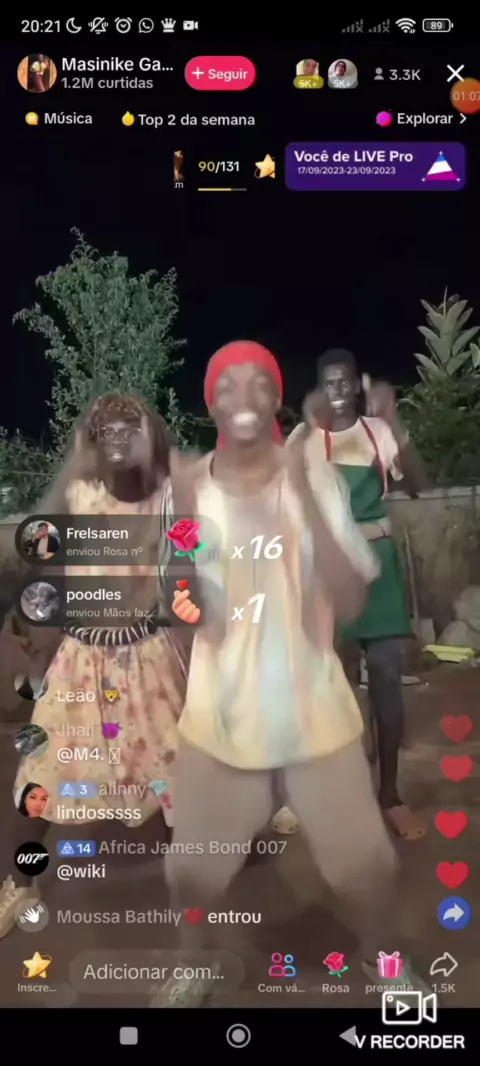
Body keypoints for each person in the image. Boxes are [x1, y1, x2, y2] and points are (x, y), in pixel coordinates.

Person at [152, 340, 421, 1008]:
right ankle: (194, 966)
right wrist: (180, 537)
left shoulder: (314, 477)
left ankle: (382, 961)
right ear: (210, 402)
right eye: (227, 384)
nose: (243, 397)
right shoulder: (189, 490)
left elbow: (350, 600)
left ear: (276, 397)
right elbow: (179, 602)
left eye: (258, 383)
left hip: (314, 715)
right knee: (190, 872)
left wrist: (300, 487)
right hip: (220, 718)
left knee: (367, 866)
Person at [0, 394, 188, 938]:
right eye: (108, 433)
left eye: (131, 431)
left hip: (148, 659)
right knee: (40, 782)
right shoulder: (78, 493)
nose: (120, 442)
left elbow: (192, 563)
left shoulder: (167, 497)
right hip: (80, 663)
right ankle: (20, 882)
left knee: (175, 779)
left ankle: (192, 892)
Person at [288, 349, 428, 841]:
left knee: (387, 680)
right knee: (337, 689)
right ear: (319, 389)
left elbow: (418, 486)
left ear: (356, 384)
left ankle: (390, 795)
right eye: (328, 383)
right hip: (331, 575)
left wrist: (395, 420)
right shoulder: (305, 440)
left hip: (380, 570)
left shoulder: (377, 432)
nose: (338, 391)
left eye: (344, 381)